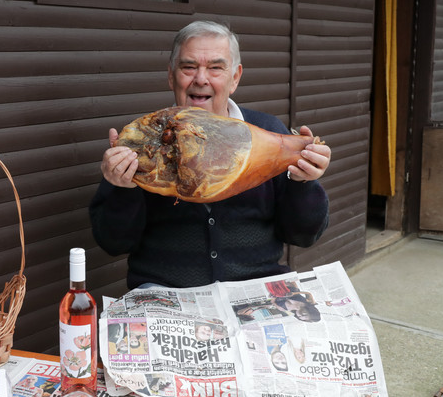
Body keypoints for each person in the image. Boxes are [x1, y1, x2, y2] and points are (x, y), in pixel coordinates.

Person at [89, 20, 331, 289]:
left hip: (253, 288)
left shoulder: (269, 131)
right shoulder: (142, 139)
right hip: (166, 291)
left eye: (216, 68)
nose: (201, 78)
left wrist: (304, 184)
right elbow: (113, 243)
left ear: (235, 77)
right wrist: (121, 189)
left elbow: (304, 235)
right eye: (189, 67)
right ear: (171, 76)